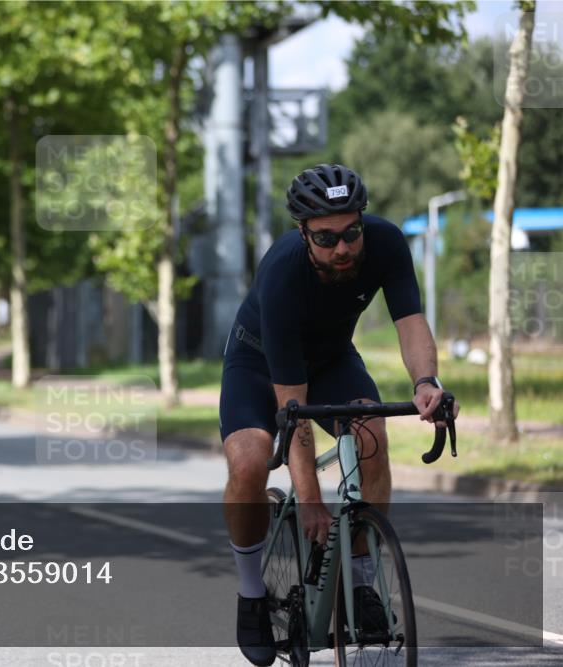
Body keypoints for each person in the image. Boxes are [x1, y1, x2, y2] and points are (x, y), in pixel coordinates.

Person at [219, 164, 459, 666]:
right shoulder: (284, 270)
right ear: (302, 232)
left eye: (351, 232)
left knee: (370, 427)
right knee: (248, 463)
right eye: (326, 238)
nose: (343, 248)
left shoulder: (388, 243)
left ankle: (365, 584)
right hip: (260, 365)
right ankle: (250, 595)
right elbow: (293, 408)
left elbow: (411, 322)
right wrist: (309, 500)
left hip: (329, 359)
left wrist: (425, 383)